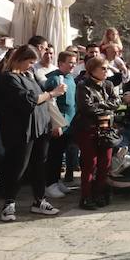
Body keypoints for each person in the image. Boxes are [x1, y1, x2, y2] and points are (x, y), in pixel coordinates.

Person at [0, 45, 63, 222]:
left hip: (40, 126)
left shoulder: (29, 75)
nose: (32, 65)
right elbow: (29, 100)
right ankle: (9, 203)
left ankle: (39, 200)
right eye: (30, 61)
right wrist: (52, 93)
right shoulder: (8, 78)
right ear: (19, 59)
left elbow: (37, 99)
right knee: (19, 166)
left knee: (39, 165)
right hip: (21, 129)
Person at [72, 55, 119, 209]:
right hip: (88, 129)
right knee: (90, 163)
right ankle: (86, 196)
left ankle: (99, 193)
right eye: (103, 68)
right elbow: (86, 107)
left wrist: (101, 105)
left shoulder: (109, 84)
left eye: (107, 68)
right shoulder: (83, 85)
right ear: (92, 70)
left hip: (106, 129)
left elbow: (117, 102)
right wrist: (106, 106)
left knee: (105, 163)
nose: (106, 71)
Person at [43, 50, 78, 199]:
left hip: (68, 124)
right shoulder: (54, 79)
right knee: (54, 154)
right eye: (70, 62)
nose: (73, 65)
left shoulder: (70, 78)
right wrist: (55, 124)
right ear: (61, 63)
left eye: (74, 62)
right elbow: (50, 103)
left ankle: (56, 180)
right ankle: (49, 184)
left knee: (60, 153)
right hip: (59, 124)